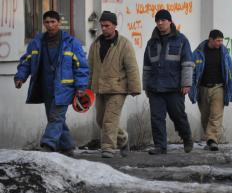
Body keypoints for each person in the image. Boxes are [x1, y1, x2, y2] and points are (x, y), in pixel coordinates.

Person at [14, 10, 89, 156]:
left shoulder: (71, 43)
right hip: (45, 87)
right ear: (43, 24)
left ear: (59, 23)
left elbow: (81, 66)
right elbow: (26, 61)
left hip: (64, 87)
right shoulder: (37, 42)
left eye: (53, 22)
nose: (50, 25)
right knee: (55, 117)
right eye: (47, 22)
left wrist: (81, 86)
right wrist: (20, 77)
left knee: (56, 116)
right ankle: (67, 145)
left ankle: (48, 145)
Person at [88, 11, 141, 158]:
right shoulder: (96, 44)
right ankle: (122, 138)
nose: (104, 28)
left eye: (107, 25)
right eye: (102, 26)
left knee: (110, 120)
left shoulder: (124, 44)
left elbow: (132, 67)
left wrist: (135, 87)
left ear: (114, 26)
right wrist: (86, 87)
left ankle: (108, 148)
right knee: (100, 120)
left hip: (118, 88)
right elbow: (90, 67)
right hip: (100, 88)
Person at [143, 9, 194, 155]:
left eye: (163, 20)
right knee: (157, 118)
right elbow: (147, 66)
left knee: (178, 116)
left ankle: (187, 138)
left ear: (170, 22)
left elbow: (187, 63)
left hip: (174, 87)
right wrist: (145, 86)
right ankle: (160, 146)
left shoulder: (181, 40)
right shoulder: (151, 43)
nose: (160, 23)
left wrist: (186, 83)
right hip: (155, 88)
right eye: (157, 21)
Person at [189, 29, 232, 151]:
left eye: (221, 41)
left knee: (216, 114)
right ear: (210, 39)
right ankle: (209, 140)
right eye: (218, 40)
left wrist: (231, 90)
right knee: (205, 116)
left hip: (218, 87)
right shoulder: (198, 53)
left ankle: (213, 139)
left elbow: (230, 72)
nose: (220, 43)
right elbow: (192, 72)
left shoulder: (224, 53)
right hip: (202, 88)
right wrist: (191, 89)